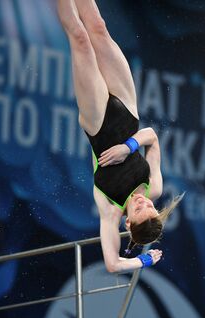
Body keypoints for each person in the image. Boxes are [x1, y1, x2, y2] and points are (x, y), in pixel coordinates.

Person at [57, 0, 182, 273]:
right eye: (150, 206)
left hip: (98, 121)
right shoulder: (154, 187)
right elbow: (152, 136)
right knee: (99, 28)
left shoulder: (109, 208)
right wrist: (128, 147)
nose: (143, 202)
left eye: (139, 210)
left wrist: (145, 260)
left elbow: (112, 264)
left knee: (80, 38)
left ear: (128, 223)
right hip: (127, 107)